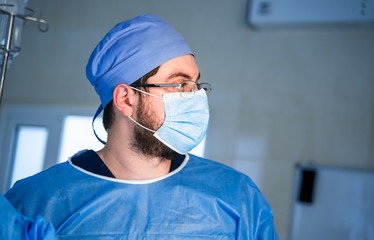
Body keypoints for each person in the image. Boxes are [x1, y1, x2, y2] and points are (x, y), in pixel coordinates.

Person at [5, 14, 278, 239]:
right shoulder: (36, 203)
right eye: (180, 84)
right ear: (125, 99)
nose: (195, 97)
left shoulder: (237, 197)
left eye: (196, 85)